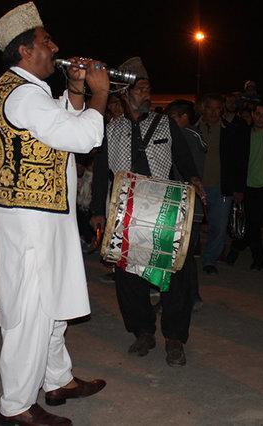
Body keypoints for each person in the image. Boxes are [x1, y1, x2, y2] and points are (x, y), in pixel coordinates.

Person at [0, 3, 108, 424]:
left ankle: (57, 380)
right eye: (46, 41)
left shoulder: (24, 90)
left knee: (52, 300)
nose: (54, 47)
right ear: (24, 51)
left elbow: (59, 124)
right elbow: (82, 137)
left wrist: (75, 90)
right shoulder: (22, 95)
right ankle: (15, 406)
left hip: (44, 214)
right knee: (32, 310)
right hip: (32, 220)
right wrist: (101, 93)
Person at [89, 57, 204, 367]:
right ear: (125, 93)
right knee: (128, 275)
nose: (146, 93)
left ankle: (175, 338)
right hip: (125, 213)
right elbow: (101, 173)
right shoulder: (111, 130)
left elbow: (184, 160)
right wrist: (98, 211)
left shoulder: (165, 123)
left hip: (164, 212)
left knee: (175, 275)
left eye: (148, 88)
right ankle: (142, 332)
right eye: (140, 88)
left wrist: (195, 181)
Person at [226, 102, 263, 270]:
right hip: (248, 185)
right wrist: (237, 188)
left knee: (256, 222)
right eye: (258, 114)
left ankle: (237, 248)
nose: (260, 117)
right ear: (253, 114)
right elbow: (236, 163)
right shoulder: (242, 134)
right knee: (252, 222)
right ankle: (258, 258)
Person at [196, 93, 244, 275]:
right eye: (211, 108)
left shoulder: (230, 130)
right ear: (203, 108)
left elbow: (239, 161)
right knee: (192, 224)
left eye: (218, 108)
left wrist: (238, 188)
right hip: (196, 185)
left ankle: (210, 260)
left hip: (221, 186)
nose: (215, 112)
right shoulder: (193, 128)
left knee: (219, 226)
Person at [166, 99, 206, 310]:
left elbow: (195, 174)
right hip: (179, 202)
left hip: (187, 204)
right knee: (177, 253)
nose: (169, 123)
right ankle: (181, 297)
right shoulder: (182, 135)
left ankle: (190, 297)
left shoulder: (189, 137)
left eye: (172, 118)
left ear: (183, 117)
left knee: (184, 254)